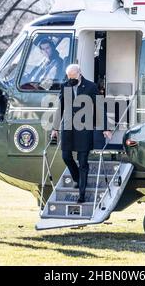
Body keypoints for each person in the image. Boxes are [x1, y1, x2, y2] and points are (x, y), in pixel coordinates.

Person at [51, 64, 112, 203]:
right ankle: (77, 178)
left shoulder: (91, 87)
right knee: (66, 156)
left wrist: (105, 128)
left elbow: (100, 107)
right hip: (68, 128)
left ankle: (82, 194)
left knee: (83, 162)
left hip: (84, 129)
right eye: (69, 77)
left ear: (79, 74)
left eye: (73, 77)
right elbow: (60, 108)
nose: (71, 79)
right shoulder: (65, 86)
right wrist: (54, 128)